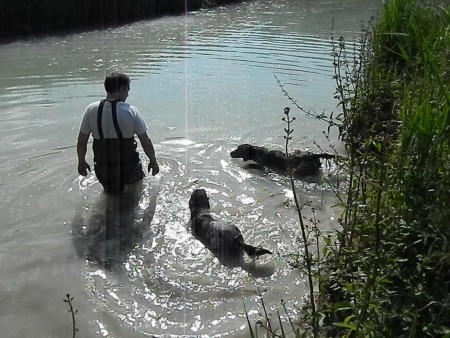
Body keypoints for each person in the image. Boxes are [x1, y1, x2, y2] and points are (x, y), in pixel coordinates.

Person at [77, 72, 159, 194]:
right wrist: (153, 161)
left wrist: (81, 162)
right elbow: (145, 142)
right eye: (127, 90)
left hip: (103, 169)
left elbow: (81, 141)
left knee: (110, 199)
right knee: (134, 199)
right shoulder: (130, 111)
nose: (128, 94)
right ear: (121, 89)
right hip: (130, 168)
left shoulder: (91, 110)